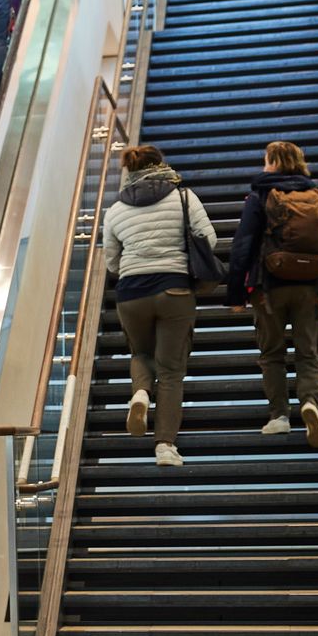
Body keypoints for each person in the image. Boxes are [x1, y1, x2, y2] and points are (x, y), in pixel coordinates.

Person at [102, 145, 217, 467]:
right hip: (174, 291)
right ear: (160, 165)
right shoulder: (183, 197)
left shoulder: (115, 210)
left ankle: (140, 394)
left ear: (131, 172)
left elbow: (112, 262)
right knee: (170, 372)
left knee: (140, 354)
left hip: (131, 294)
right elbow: (208, 240)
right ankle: (165, 446)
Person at [227, 140, 318, 448]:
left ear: (274, 163)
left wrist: (236, 292)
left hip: (269, 287)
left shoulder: (260, 196)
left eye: (266, 160)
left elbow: (243, 245)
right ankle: (310, 403)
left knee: (271, 354)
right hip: (311, 286)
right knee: (309, 352)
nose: (264, 166)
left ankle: (279, 416)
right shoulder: (317, 195)